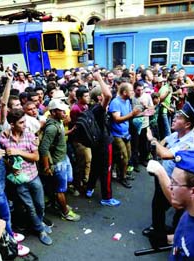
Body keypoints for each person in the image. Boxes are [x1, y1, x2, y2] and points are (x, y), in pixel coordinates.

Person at [143, 102, 194, 245]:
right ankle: (159, 228)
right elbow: (164, 142)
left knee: (174, 207)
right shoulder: (177, 134)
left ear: (187, 124)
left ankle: (170, 237)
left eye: (179, 117)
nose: (174, 119)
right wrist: (156, 142)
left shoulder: (191, 143)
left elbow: (164, 153)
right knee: (158, 204)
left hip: (178, 182)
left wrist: (152, 140)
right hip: (166, 175)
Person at [0, 109, 53, 245]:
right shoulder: (3, 138)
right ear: (12, 124)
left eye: (25, 121)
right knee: (29, 207)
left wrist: (18, 151)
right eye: (21, 122)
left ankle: (38, 222)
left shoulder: (30, 136)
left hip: (33, 176)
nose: (25, 124)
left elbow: (36, 157)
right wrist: (10, 166)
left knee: (40, 205)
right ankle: (40, 230)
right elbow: (2, 158)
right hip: (19, 181)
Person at [39, 99, 81, 221]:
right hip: (58, 162)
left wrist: (70, 131)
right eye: (61, 111)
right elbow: (43, 148)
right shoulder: (51, 128)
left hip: (63, 157)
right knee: (60, 189)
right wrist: (47, 167)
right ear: (53, 112)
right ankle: (65, 212)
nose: (64, 113)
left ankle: (57, 202)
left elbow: (60, 135)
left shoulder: (59, 122)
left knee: (67, 182)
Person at [86, 72, 121, 207]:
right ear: (100, 97)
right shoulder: (99, 109)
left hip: (97, 143)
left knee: (95, 166)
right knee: (106, 170)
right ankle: (106, 197)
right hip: (104, 143)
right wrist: (99, 78)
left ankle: (89, 188)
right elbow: (108, 95)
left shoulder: (92, 108)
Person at [108, 82, 142, 188]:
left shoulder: (127, 101)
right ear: (124, 92)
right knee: (124, 157)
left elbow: (128, 115)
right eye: (131, 90)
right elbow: (117, 119)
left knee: (128, 155)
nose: (133, 92)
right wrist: (132, 114)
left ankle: (123, 174)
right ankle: (122, 177)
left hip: (126, 133)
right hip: (117, 134)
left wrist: (142, 114)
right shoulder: (116, 102)